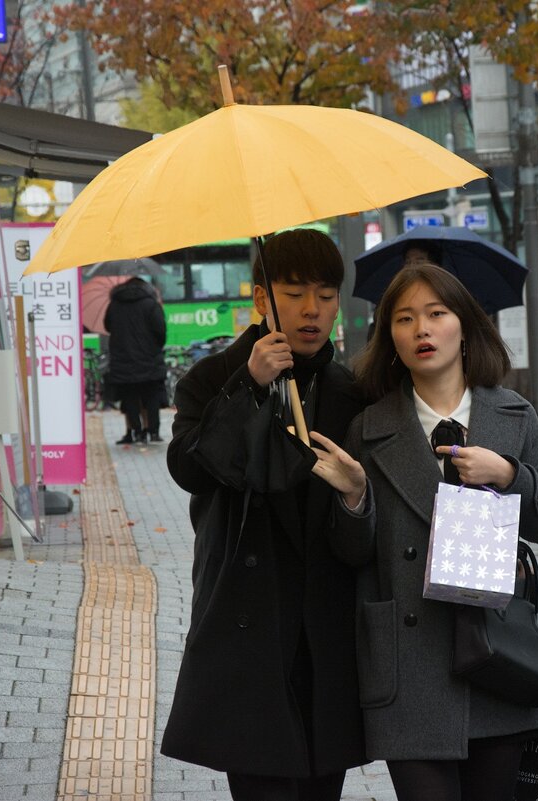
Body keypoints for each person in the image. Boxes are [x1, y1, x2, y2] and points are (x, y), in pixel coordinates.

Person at [310, 263, 538, 801]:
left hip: (497, 657)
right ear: (391, 340)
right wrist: (355, 498)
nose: (421, 330)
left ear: (465, 327)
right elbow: (352, 554)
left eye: (436, 313)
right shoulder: (368, 428)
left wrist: (509, 477)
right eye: (404, 320)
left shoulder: (513, 416)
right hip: (409, 667)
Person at [161, 229, 366, 800]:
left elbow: (366, 516)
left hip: (325, 631)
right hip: (248, 624)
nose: (311, 309)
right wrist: (249, 385)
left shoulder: (353, 391)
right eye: (294, 292)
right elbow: (190, 469)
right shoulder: (213, 379)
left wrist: (356, 497)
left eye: (326, 295)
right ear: (260, 299)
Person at [103, 275, 167, 444]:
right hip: (149, 360)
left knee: (129, 397)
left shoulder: (114, 304)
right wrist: (154, 348)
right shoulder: (151, 304)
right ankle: (153, 432)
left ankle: (137, 432)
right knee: (152, 397)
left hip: (122, 360)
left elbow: (107, 326)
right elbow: (161, 331)